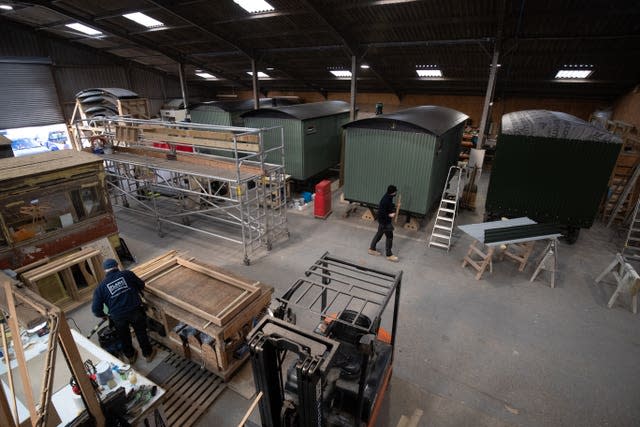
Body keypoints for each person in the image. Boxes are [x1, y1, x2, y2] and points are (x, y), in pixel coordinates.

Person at [92, 258, 156, 364]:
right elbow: (141, 285)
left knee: (124, 336)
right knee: (141, 332)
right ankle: (148, 354)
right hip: (135, 310)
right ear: (117, 266)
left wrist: (104, 315)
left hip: (118, 316)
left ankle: (130, 356)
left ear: (105, 271)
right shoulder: (127, 274)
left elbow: (95, 309)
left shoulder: (100, 288)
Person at [369, 185, 399, 262]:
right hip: (385, 221)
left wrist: (394, 206)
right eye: (395, 191)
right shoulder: (385, 200)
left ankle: (372, 249)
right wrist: (390, 215)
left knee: (379, 234)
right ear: (393, 192)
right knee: (389, 237)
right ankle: (389, 255)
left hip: (382, 221)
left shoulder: (388, 197)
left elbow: (388, 206)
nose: (396, 193)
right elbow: (381, 212)